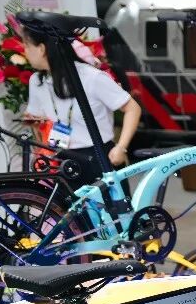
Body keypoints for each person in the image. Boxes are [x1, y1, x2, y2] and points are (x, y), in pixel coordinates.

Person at [21, 25, 141, 186]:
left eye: (27, 46)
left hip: (98, 156)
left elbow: (132, 108)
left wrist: (121, 147)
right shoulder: (37, 81)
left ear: (42, 49)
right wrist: (35, 125)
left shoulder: (91, 77)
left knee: (109, 202)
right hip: (61, 158)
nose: (24, 51)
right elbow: (37, 119)